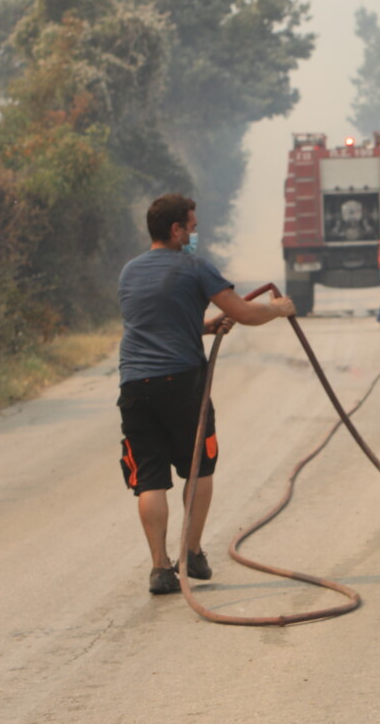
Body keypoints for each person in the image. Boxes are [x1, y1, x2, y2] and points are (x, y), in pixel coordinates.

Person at [118, 194, 295, 596]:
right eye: (192, 227)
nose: (195, 234)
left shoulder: (129, 272)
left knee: (149, 480)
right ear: (176, 229)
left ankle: (160, 569)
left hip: (134, 387)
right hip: (182, 384)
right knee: (200, 468)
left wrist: (206, 326)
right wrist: (279, 309)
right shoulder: (195, 267)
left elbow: (153, 323)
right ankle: (192, 554)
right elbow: (248, 313)